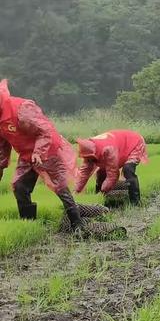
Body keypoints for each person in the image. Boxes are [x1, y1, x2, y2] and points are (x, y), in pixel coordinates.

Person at [0, 79, 83, 229]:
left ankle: (77, 225)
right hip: (26, 154)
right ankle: (29, 225)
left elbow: (45, 131)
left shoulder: (21, 110)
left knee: (60, 187)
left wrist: (39, 152)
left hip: (48, 150)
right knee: (20, 187)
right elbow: (3, 146)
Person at [75, 130, 148, 205]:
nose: (90, 160)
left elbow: (113, 175)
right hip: (118, 146)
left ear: (95, 152)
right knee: (101, 172)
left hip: (134, 142)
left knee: (128, 170)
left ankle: (135, 202)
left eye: (91, 158)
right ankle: (99, 197)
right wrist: (76, 192)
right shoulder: (88, 149)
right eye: (88, 158)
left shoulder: (108, 149)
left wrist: (103, 191)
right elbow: (84, 173)